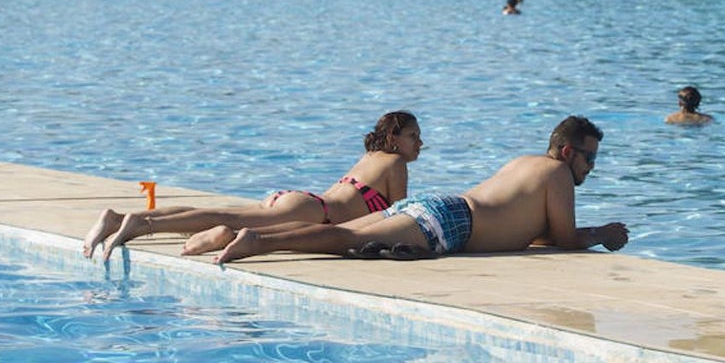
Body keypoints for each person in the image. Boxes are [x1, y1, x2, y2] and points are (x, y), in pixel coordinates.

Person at [201, 115, 628, 264]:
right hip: (451, 222)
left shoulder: (525, 164)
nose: (591, 167)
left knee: (351, 236)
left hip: (439, 206)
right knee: (347, 240)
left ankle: (234, 234)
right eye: (589, 158)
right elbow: (566, 240)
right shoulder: (556, 174)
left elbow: (540, 235)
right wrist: (603, 234)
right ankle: (256, 242)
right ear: (568, 151)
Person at [83, 111, 423, 261]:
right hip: (311, 212)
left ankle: (121, 218)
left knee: (218, 214)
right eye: (412, 136)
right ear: (393, 138)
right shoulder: (395, 163)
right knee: (221, 218)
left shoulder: (371, 156)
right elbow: (397, 217)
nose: (418, 144)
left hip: (300, 202)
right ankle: (143, 224)